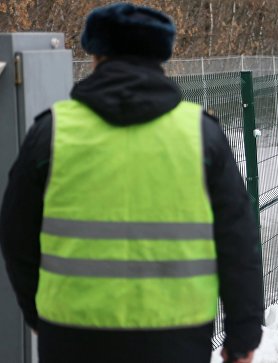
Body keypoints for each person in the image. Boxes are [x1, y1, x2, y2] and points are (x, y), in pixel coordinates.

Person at [0, 3, 263, 363]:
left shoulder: (52, 133)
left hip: (71, 336)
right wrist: (243, 335)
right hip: (176, 337)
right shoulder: (201, 135)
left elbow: (16, 235)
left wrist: (37, 313)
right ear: (161, 58)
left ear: (95, 55)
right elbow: (238, 242)